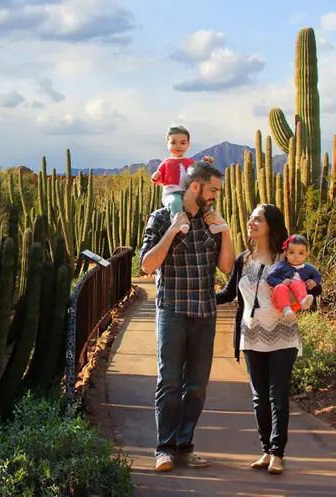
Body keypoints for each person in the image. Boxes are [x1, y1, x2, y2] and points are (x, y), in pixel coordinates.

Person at [139, 160, 234, 472]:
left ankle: (185, 445)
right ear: (196, 187)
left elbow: (226, 267)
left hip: (204, 313)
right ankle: (163, 449)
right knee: (169, 381)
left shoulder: (210, 221)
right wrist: (171, 229)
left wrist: (226, 231)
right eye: (213, 190)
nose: (216, 196)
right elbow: (148, 265)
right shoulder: (161, 217)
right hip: (173, 312)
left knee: (196, 385)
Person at [215, 204, 322, 475]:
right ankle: (265, 450)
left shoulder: (286, 260)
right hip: (251, 336)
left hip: (282, 335)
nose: (250, 222)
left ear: (270, 226)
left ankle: (277, 453)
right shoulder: (243, 260)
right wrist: (199, 295)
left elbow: (312, 286)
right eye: (250, 218)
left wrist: (311, 289)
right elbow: (228, 294)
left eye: (257, 219)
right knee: (258, 398)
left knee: (277, 396)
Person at [150, 126, 225, 235]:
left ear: (188, 144)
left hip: (188, 192)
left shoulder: (190, 161)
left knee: (204, 202)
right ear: (167, 144)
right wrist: (156, 176)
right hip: (172, 192)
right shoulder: (166, 163)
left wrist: (206, 162)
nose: (178, 146)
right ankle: (179, 222)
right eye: (174, 143)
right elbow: (159, 179)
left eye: (183, 143)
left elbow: (197, 170)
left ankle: (213, 224)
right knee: (175, 202)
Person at [266, 234, 322, 319]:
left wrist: (314, 282)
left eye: (301, 253)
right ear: (285, 253)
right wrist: (281, 282)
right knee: (280, 287)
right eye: (291, 252)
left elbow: (318, 275)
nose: (296, 256)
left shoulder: (309, 268)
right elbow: (270, 277)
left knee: (298, 283)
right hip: (280, 301)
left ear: (306, 254)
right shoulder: (280, 266)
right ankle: (286, 310)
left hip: (297, 303)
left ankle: (304, 301)